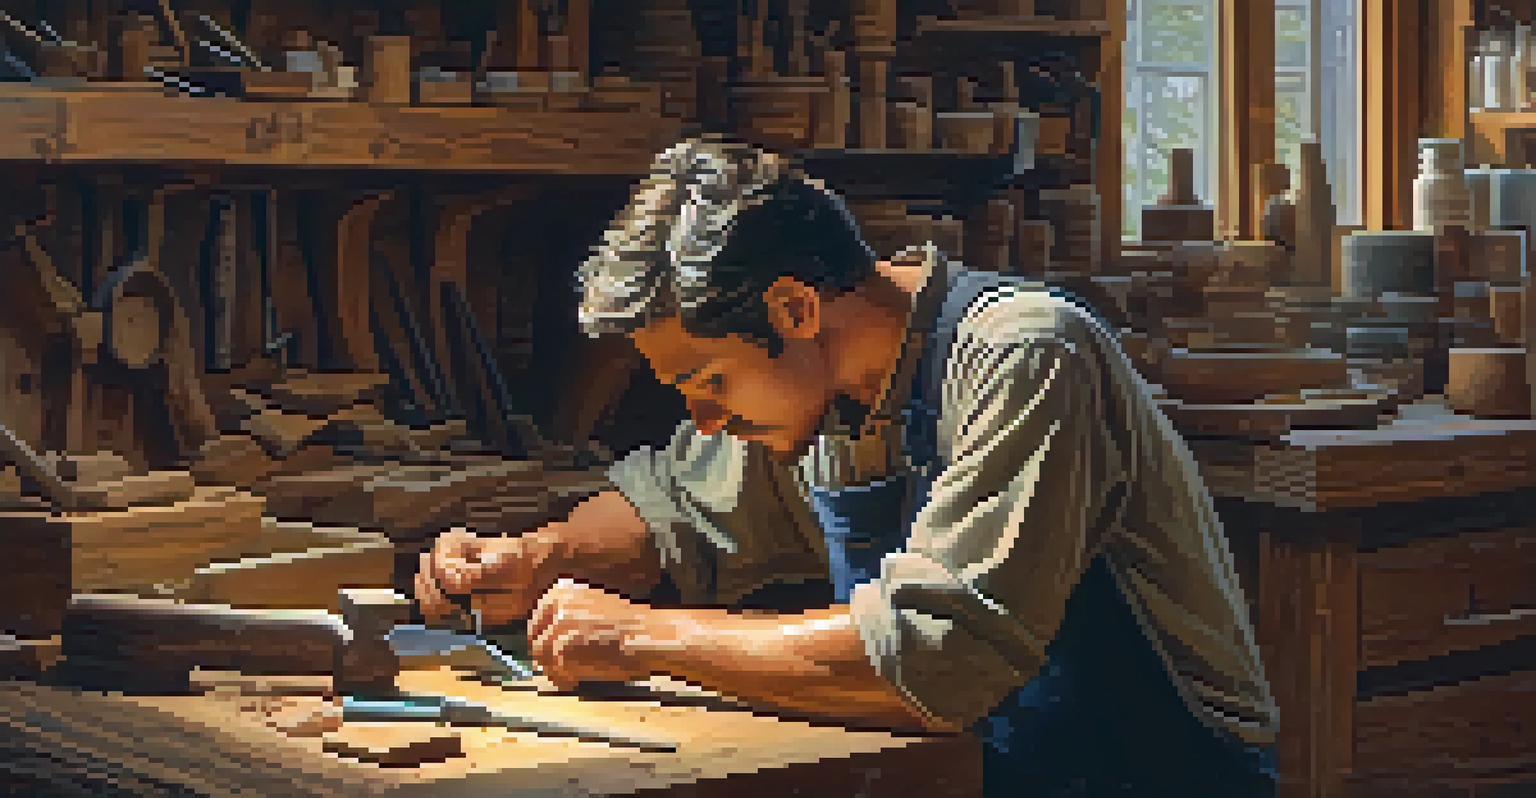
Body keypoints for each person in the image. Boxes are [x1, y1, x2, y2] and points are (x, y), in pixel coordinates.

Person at [416, 137, 1278, 797]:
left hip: (1151, 772)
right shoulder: (816, 394)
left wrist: (641, 638)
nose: (705, 419)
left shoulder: (1022, 358)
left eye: (709, 382)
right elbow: (673, 510)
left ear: (793, 307)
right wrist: (532, 560)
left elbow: (935, 658)